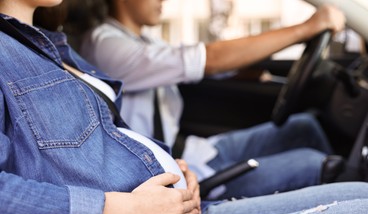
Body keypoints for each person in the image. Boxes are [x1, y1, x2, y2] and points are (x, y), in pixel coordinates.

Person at [1, 1, 368, 214]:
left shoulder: (46, 47)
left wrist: (167, 166)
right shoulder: (84, 44)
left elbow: (99, 141)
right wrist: (128, 209)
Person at [78, 0, 345, 199]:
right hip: (179, 177)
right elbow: (207, 59)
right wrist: (307, 28)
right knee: (313, 163)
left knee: (304, 127)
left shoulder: (142, 40)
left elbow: (195, 63)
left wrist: (248, 73)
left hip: (194, 151)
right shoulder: (104, 44)